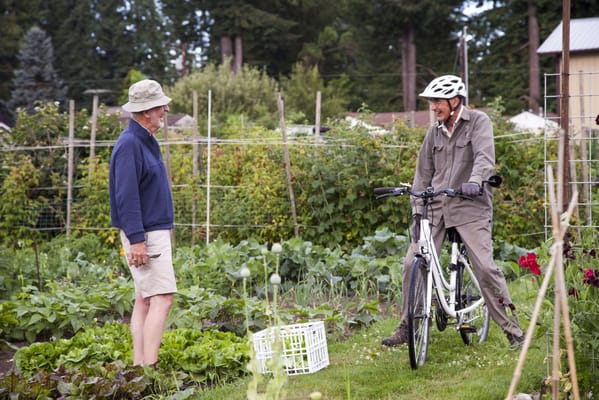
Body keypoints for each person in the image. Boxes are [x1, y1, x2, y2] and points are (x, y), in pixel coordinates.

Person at [381, 75, 525, 348]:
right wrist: (417, 206)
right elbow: (423, 173)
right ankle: (406, 326)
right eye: (432, 102)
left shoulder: (479, 123)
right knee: (413, 261)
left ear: (455, 100)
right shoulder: (433, 132)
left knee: (484, 267)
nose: (433, 107)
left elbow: (485, 158)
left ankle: (513, 331)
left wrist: (474, 181)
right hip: (435, 205)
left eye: (437, 101)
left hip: (469, 205)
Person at [109, 79, 177, 366]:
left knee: (145, 299)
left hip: (149, 232)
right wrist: (137, 240)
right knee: (162, 298)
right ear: (147, 111)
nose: (166, 108)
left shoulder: (146, 140)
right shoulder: (130, 145)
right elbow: (126, 197)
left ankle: (140, 368)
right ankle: (149, 369)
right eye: (161, 105)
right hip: (145, 235)